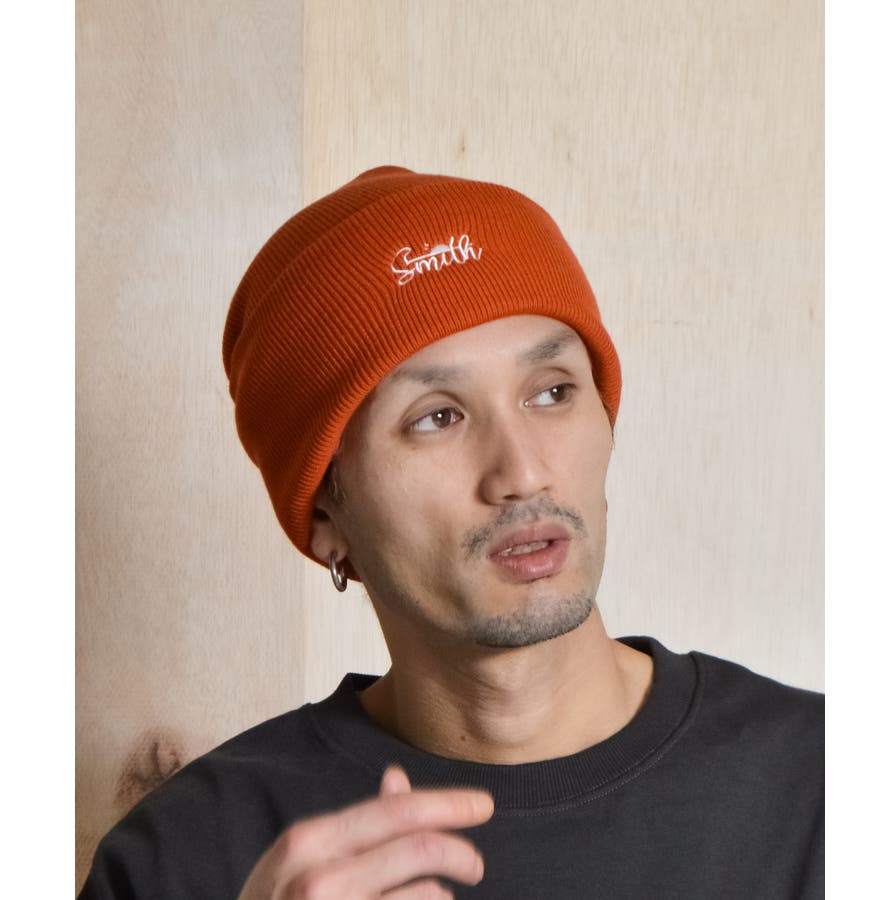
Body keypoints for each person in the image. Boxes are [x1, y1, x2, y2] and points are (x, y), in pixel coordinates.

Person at [79, 166, 823, 899]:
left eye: (552, 392)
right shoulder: (182, 861)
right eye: (437, 417)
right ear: (327, 518)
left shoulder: (829, 790)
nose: (522, 472)